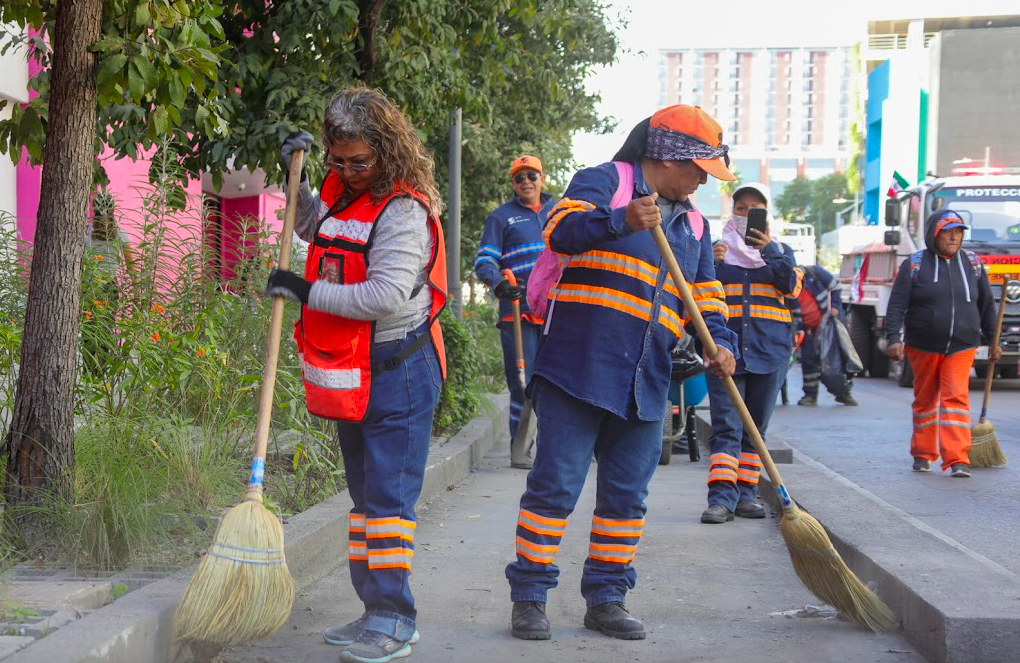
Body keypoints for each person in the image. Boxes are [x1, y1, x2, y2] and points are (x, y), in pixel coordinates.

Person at [505, 105, 738, 642]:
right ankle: (531, 597)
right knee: (553, 490)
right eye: (698, 167)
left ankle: (607, 598)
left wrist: (720, 343)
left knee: (626, 499)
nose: (703, 178)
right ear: (665, 156)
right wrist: (622, 220)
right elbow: (558, 230)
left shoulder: (696, 223)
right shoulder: (606, 182)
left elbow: (705, 295)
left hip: (647, 380)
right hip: (576, 370)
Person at [268, 87, 447, 663]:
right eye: (337, 160)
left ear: (387, 152)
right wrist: (294, 180)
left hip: (401, 368)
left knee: (390, 502)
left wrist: (303, 290)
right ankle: (375, 610)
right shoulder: (341, 194)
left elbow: (386, 293)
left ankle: (396, 619)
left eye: (359, 162)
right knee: (365, 498)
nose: (347, 171)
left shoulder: (404, 209)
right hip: (359, 369)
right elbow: (312, 230)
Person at [702, 182, 802, 524]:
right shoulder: (714, 251)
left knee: (754, 429)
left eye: (754, 209)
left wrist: (770, 250)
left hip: (769, 352)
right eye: (741, 208)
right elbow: (697, 295)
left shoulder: (782, 251)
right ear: (733, 211)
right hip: (725, 353)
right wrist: (710, 264)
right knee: (726, 427)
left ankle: (746, 495)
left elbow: (792, 287)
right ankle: (721, 499)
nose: (746, 215)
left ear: (765, 213)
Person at [885, 209, 999, 478]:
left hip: (963, 344)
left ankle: (957, 458)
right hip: (923, 344)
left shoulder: (972, 263)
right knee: (925, 400)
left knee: (955, 398)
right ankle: (923, 453)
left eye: (959, 232)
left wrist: (994, 340)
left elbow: (987, 306)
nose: (954, 237)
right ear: (934, 234)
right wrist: (893, 338)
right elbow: (897, 306)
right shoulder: (913, 265)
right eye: (948, 232)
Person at [473, 156, 551, 449]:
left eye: (532, 175)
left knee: (558, 383)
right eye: (519, 178)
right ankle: (521, 448)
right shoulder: (501, 217)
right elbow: (484, 260)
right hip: (519, 313)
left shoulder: (560, 211)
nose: (526, 182)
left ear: (542, 177)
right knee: (523, 383)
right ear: (513, 184)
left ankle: (553, 448)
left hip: (559, 312)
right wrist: (500, 284)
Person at [83, 192, 136, 377]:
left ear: (94, 209)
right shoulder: (121, 234)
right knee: (105, 330)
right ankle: (101, 375)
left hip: (89, 289)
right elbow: (131, 266)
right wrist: (138, 290)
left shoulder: (86, 232)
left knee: (88, 331)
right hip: (110, 288)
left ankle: (89, 374)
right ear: (113, 209)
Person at [794, 264, 858, 406]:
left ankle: (844, 394)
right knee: (808, 361)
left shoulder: (814, 273)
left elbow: (836, 286)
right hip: (807, 329)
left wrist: (835, 306)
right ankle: (810, 396)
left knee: (834, 361)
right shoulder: (788, 283)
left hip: (827, 326)